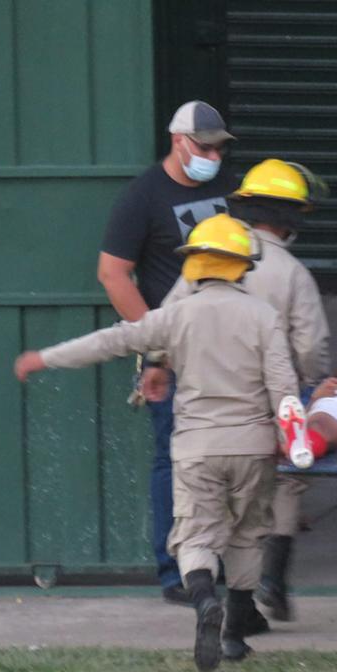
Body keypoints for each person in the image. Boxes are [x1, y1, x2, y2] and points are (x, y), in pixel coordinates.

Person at [16, 215, 299, 672]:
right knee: (248, 533)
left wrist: (44, 358)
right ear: (242, 266)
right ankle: (232, 637)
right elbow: (284, 387)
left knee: (194, 535)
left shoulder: (174, 316)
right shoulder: (264, 317)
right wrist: (292, 436)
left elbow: (109, 342)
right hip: (252, 444)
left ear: (196, 265)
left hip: (196, 447)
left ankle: (205, 599)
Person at [162, 158, 332, 625]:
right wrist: (308, 385)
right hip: (264, 409)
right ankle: (269, 583)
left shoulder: (208, 256)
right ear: (292, 217)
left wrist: (161, 365)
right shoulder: (293, 272)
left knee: (204, 505)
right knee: (278, 488)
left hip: (204, 408)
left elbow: (168, 318)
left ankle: (213, 594)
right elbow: (311, 346)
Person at [96, 100, 238, 605]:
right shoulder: (143, 196)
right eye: (205, 147)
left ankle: (224, 563)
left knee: (233, 455)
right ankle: (176, 570)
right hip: (174, 355)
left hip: (230, 349)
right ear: (178, 140)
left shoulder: (226, 187)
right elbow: (113, 274)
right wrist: (155, 343)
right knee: (174, 460)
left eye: (219, 147)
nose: (213, 156)